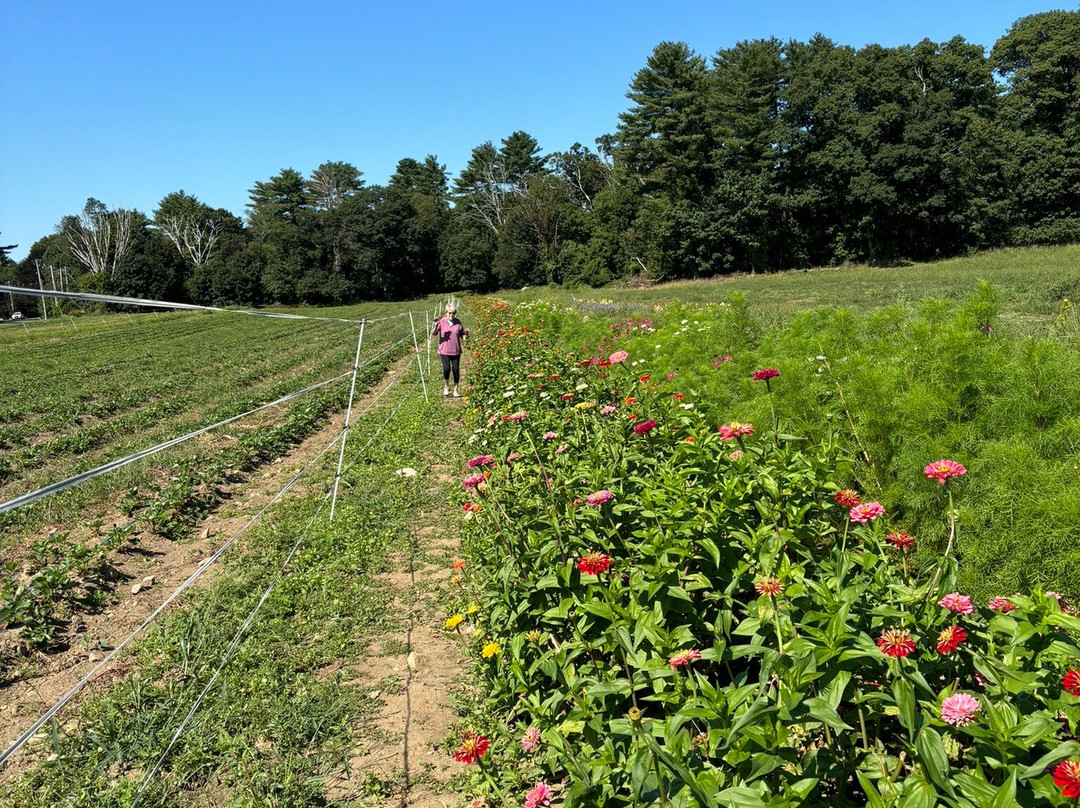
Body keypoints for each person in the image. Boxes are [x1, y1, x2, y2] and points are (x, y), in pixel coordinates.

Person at [432, 306, 468, 397]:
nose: (451, 315)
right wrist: (436, 326)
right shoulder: (441, 321)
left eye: (453, 313)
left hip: (456, 351)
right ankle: (446, 386)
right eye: (449, 313)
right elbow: (434, 333)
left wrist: (465, 336)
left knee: (456, 370)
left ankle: (456, 390)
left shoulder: (458, 322)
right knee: (446, 369)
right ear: (446, 313)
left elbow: (462, 333)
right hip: (444, 350)